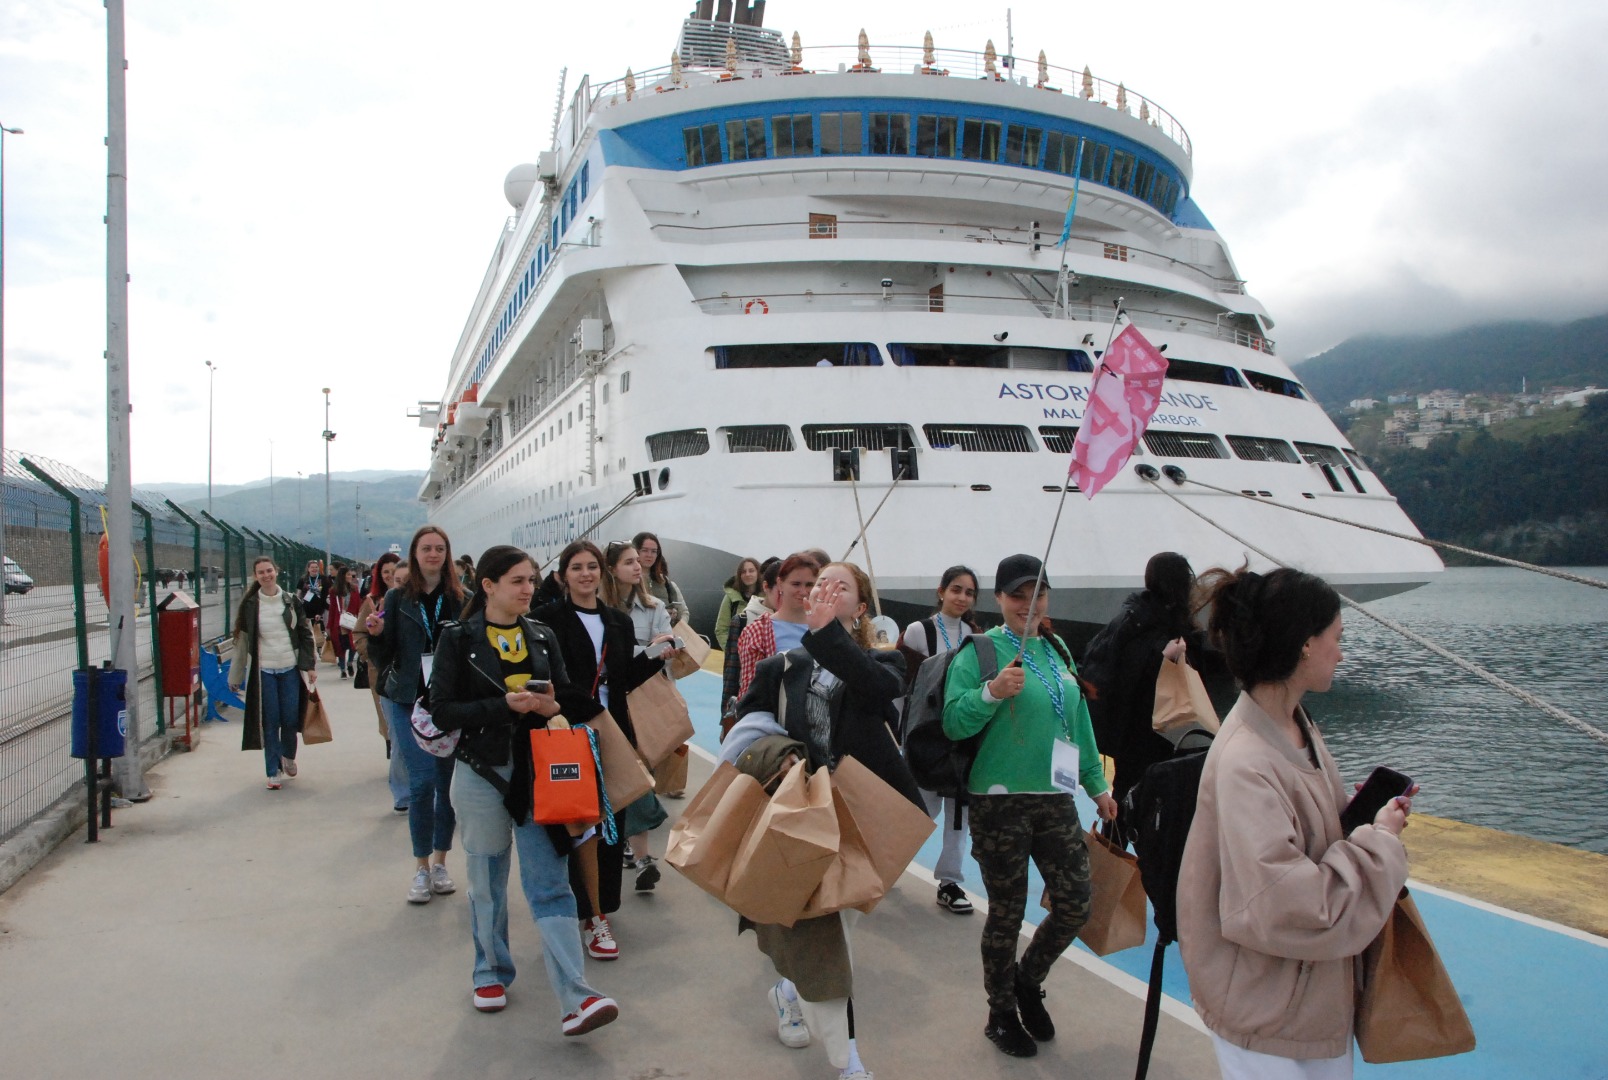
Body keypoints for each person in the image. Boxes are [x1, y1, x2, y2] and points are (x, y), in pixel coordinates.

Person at [1178, 565, 1412, 1079]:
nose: (1341, 653)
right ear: (1306, 645)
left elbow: (1304, 843)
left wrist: (1359, 821)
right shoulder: (1247, 760)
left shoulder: (1293, 724)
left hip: (1305, 992)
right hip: (1268, 1004)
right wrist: (1381, 843)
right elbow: (1287, 903)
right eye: (1337, 638)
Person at [726, 562, 922, 1080]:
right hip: (802, 817)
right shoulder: (780, 665)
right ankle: (848, 1061)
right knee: (831, 940)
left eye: (839, 588)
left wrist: (827, 636)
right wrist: (780, 754)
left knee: (841, 926)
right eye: (818, 585)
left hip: (865, 818)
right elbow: (743, 731)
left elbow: (877, 689)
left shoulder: (885, 660)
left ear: (860, 609)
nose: (823, 592)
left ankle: (788, 991)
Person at [428, 544, 619, 1033]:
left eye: (532, 580)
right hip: (481, 771)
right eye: (517, 581)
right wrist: (503, 708)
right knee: (488, 878)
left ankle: (577, 997)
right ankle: (490, 971)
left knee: (550, 881)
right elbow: (442, 709)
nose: (528, 589)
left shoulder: (542, 635)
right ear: (488, 586)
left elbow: (562, 700)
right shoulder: (457, 638)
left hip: (539, 772)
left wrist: (551, 707)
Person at [942, 554, 1117, 1059]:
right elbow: (955, 722)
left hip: (1056, 800)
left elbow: (1077, 727)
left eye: (1038, 593)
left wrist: (1096, 786)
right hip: (1000, 803)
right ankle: (999, 1013)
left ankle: (1026, 980)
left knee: (1075, 904)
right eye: (1018, 595)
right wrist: (992, 693)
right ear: (998, 599)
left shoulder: (1058, 649)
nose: (1029, 604)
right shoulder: (981, 651)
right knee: (1007, 911)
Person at [532, 539, 667, 961]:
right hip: (568, 732)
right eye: (577, 568)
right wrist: (585, 707)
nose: (586, 574)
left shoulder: (617, 621)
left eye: (592, 567)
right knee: (574, 824)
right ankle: (573, 905)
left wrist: (660, 654)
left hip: (613, 732)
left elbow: (623, 678)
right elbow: (549, 678)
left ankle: (599, 912)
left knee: (611, 823)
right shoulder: (545, 620)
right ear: (562, 576)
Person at [367, 526, 464, 905]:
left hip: (447, 704)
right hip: (407, 700)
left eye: (440, 548)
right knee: (422, 784)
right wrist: (375, 635)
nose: (433, 554)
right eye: (427, 548)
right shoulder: (395, 599)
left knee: (447, 788)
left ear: (447, 554)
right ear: (415, 552)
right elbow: (382, 652)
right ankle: (421, 867)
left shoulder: (461, 599)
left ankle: (441, 862)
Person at [1084, 551, 1210, 839]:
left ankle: (1110, 860)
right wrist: (1164, 660)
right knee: (1166, 806)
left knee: (1125, 801)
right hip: (1166, 733)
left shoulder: (1132, 617)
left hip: (1134, 732)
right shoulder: (1172, 626)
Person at [898, 564, 980, 915]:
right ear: (941, 591)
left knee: (959, 810)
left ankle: (950, 881)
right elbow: (902, 686)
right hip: (924, 736)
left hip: (959, 738)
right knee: (919, 808)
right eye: (956, 589)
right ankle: (885, 861)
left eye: (969, 592)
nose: (962, 597)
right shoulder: (918, 632)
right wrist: (898, 734)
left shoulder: (976, 635)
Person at [601, 539, 682, 892]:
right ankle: (640, 855)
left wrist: (662, 648)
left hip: (644, 700)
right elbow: (608, 658)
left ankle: (635, 852)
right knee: (628, 776)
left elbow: (669, 645)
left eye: (639, 561)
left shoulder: (653, 605)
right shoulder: (599, 609)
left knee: (637, 774)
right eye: (629, 561)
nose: (638, 567)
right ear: (612, 569)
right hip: (609, 703)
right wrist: (648, 649)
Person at [227, 556, 317, 790]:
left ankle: (288, 755)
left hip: (289, 667)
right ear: (255, 576)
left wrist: (309, 666)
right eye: (260, 572)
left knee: (289, 718)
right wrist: (235, 677)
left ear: (276, 571)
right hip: (264, 671)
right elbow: (242, 642)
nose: (266, 575)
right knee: (270, 721)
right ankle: (273, 770)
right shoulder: (250, 605)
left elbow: (305, 634)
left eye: (269, 571)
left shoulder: (290, 601)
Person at [353, 553, 407, 813]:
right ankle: (402, 793)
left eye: (394, 573)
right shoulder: (373, 602)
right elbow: (359, 632)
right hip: (383, 674)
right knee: (394, 732)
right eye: (386, 573)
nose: (390, 577)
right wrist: (370, 653)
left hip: (412, 675)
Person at [736, 553, 819, 698]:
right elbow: (750, 693)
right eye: (796, 584)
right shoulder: (757, 631)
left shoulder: (827, 629)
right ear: (780, 584)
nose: (803, 591)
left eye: (809, 584)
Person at [631, 531, 689, 625]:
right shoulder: (627, 581)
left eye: (654, 551)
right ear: (635, 551)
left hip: (665, 635)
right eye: (644, 550)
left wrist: (675, 621)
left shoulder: (666, 582)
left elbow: (684, 613)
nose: (649, 555)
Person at [714, 556, 761, 651]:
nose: (747, 574)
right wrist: (732, 651)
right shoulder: (731, 598)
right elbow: (721, 629)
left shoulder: (768, 597)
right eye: (743, 572)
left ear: (758, 572)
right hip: (737, 657)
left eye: (751, 570)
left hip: (762, 656)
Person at [327, 565, 363, 679]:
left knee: (353, 645)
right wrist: (329, 626)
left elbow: (358, 605)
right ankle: (343, 669)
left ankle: (350, 663)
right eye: (348, 575)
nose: (350, 577)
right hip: (339, 622)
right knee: (340, 646)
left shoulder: (354, 589)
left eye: (351, 575)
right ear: (342, 576)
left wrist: (360, 620)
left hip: (352, 621)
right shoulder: (334, 591)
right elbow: (332, 609)